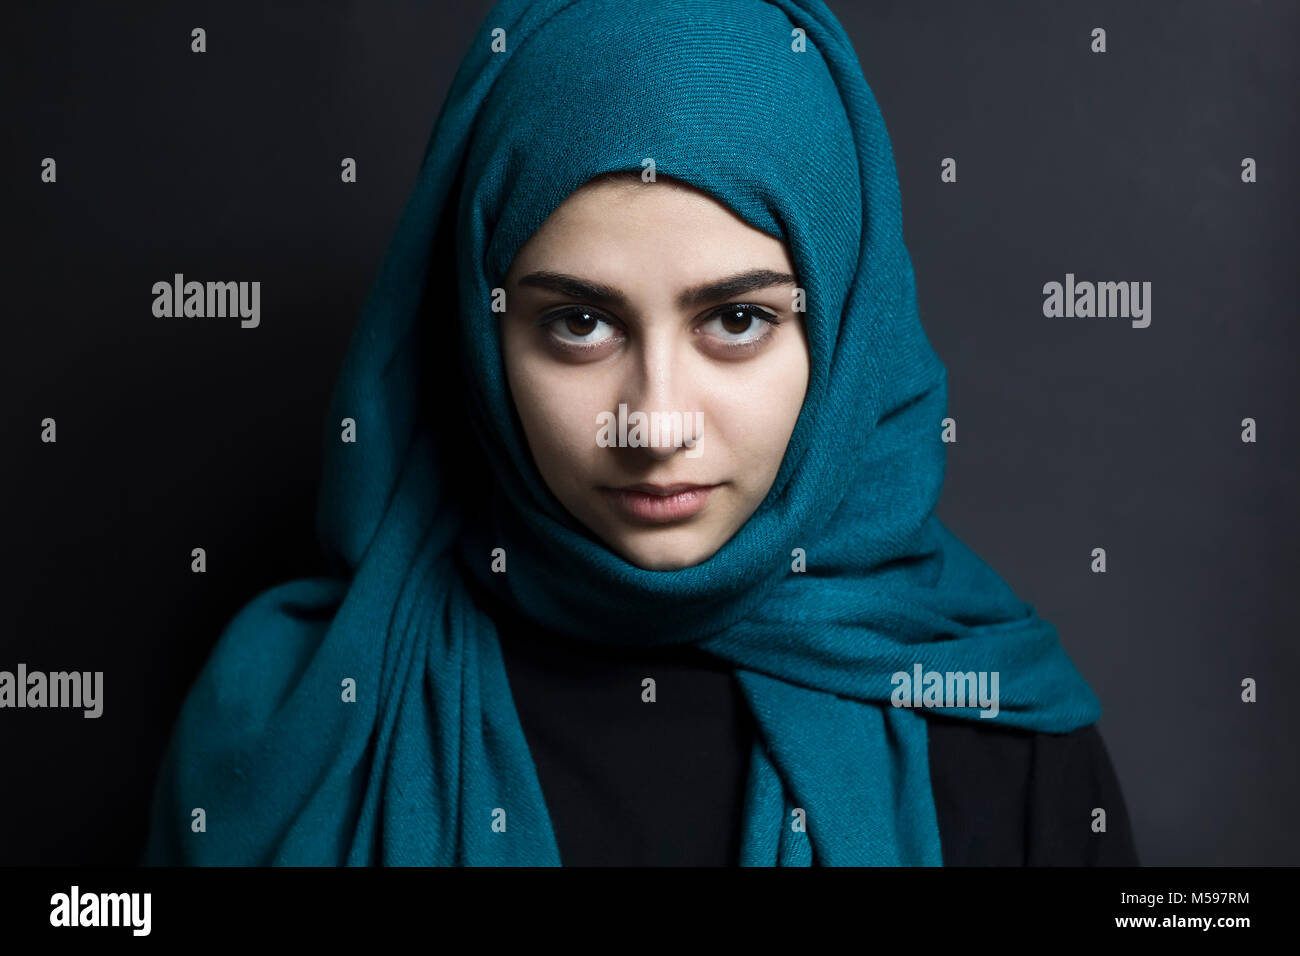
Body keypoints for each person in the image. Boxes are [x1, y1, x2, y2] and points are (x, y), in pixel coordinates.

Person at [141, 0, 1139, 866]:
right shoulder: (287, 726)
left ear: (839, 333)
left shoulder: (998, 733)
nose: (653, 421)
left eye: (736, 320)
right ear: (480, 337)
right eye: (578, 322)